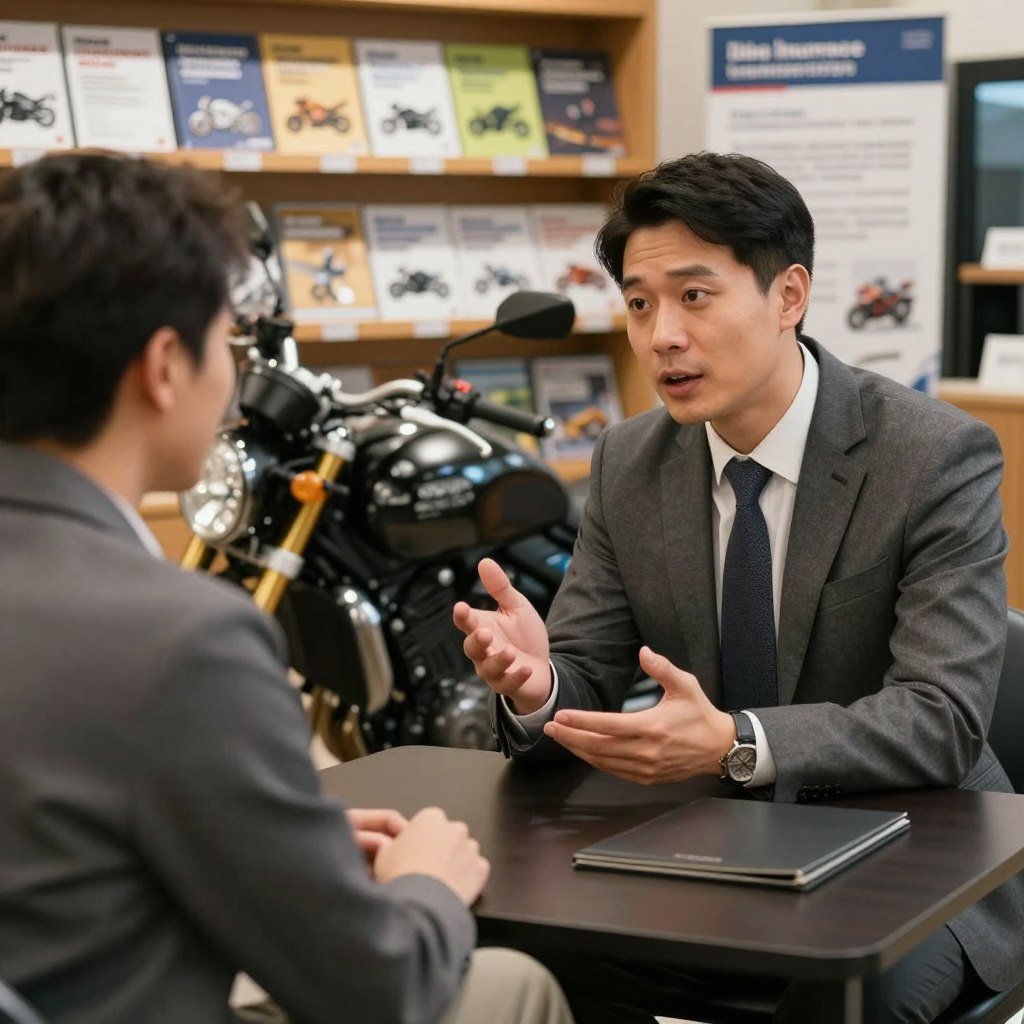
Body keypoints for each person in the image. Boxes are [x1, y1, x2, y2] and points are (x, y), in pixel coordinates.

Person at [0, 151, 574, 1024]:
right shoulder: (182, 639)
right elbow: (379, 988)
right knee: (509, 985)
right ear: (164, 365)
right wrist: (425, 886)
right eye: (225, 340)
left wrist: (262, 845)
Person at [454, 151, 1024, 1023]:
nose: (661, 336)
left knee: (842, 1002)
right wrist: (541, 688)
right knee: (515, 954)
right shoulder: (628, 461)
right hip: (712, 850)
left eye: (694, 295)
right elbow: (587, 671)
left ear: (788, 295)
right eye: (640, 304)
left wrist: (735, 740)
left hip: (915, 858)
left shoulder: (933, 456)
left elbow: (941, 719)